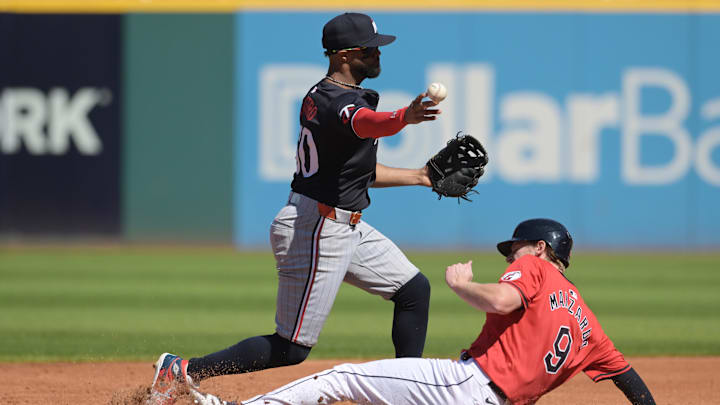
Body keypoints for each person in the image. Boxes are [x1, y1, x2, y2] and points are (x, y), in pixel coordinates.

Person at [147, 12, 442, 405]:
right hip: (317, 226)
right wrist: (404, 117)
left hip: (340, 222)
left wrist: (422, 176)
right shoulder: (335, 101)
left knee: (413, 289)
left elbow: (359, 174)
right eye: (368, 49)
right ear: (343, 56)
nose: (376, 54)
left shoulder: (334, 97)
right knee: (292, 348)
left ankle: (407, 392)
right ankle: (182, 371)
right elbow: (369, 123)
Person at [187, 218, 656, 405]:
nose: (511, 257)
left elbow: (503, 300)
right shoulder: (588, 324)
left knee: (338, 378)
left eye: (514, 250)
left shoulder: (534, 266)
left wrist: (463, 285)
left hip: (469, 388)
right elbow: (629, 379)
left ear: (538, 248)